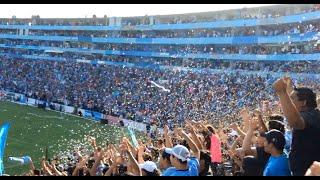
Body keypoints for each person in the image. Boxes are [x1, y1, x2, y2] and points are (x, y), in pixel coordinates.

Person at [273, 77, 320, 176]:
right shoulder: (314, 114)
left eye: (292, 99)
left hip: (308, 171)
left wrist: (282, 93)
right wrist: (288, 87)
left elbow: (295, 122)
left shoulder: (310, 116)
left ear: (304, 102)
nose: (290, 102)